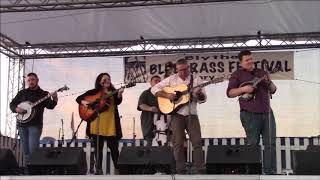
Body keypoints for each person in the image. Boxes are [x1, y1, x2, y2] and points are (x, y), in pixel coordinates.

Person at [151, 59, 207, 174]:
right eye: (180, 70)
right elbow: (154, 88)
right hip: (177, 115)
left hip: (192, 114)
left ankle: (200, 170)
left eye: (185, 69)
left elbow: (203, 99)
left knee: (196, 142)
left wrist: (199, 94)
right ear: (176, 69)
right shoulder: (172, 79)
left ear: (189, 67)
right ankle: (180, 170)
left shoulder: (196, 79)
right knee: (178, 143)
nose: (182, 72)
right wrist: (167, 95)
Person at [226, 50, 277, 175]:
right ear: (241, 62)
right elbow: (230, 93)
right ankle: (253, 174)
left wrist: (269, 82)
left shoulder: (261, 72)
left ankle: (270, 173)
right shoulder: (237, 74)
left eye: (251, 59)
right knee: (252, 144)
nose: (250, 61)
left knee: (270, 143)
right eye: (247, 60)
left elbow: (274, 90)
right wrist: (243, 89)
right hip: (249, 113)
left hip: (267, 112)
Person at [76, 73, 123, 175]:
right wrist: (84, 102)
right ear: (100, 81)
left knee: (114, 148)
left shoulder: (113, 92)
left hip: (110, 123)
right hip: (96, 123)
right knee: (98, 149)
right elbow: (78, 98)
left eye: (109, 79)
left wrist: (119, 94)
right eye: (105, 79)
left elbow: (118, 101)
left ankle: (118, 170)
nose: (107, 80)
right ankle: (98, 170)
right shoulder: (93, 92)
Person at [10, 72, 58, 165]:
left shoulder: (44, 94)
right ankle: (29, 172)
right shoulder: (22, 93)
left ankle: (35, 172)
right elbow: (12, 104)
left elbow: (50, 106)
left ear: (37, 80)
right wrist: (16, 109)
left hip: (35, 125)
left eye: (32, 80)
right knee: (26, 151)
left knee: (33, 150)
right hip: (22, 125)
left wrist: (55, 100)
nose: (30, 82)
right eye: (28, 80)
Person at [137, 75, 162, 146]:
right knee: (150, 142)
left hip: (161, 122)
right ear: (150, 83)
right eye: (155, 81)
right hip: (148, 121)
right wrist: (150, 108)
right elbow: (141, 105)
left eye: (159, 81)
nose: (157, 82)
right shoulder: (146, 93)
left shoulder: (164, 94)